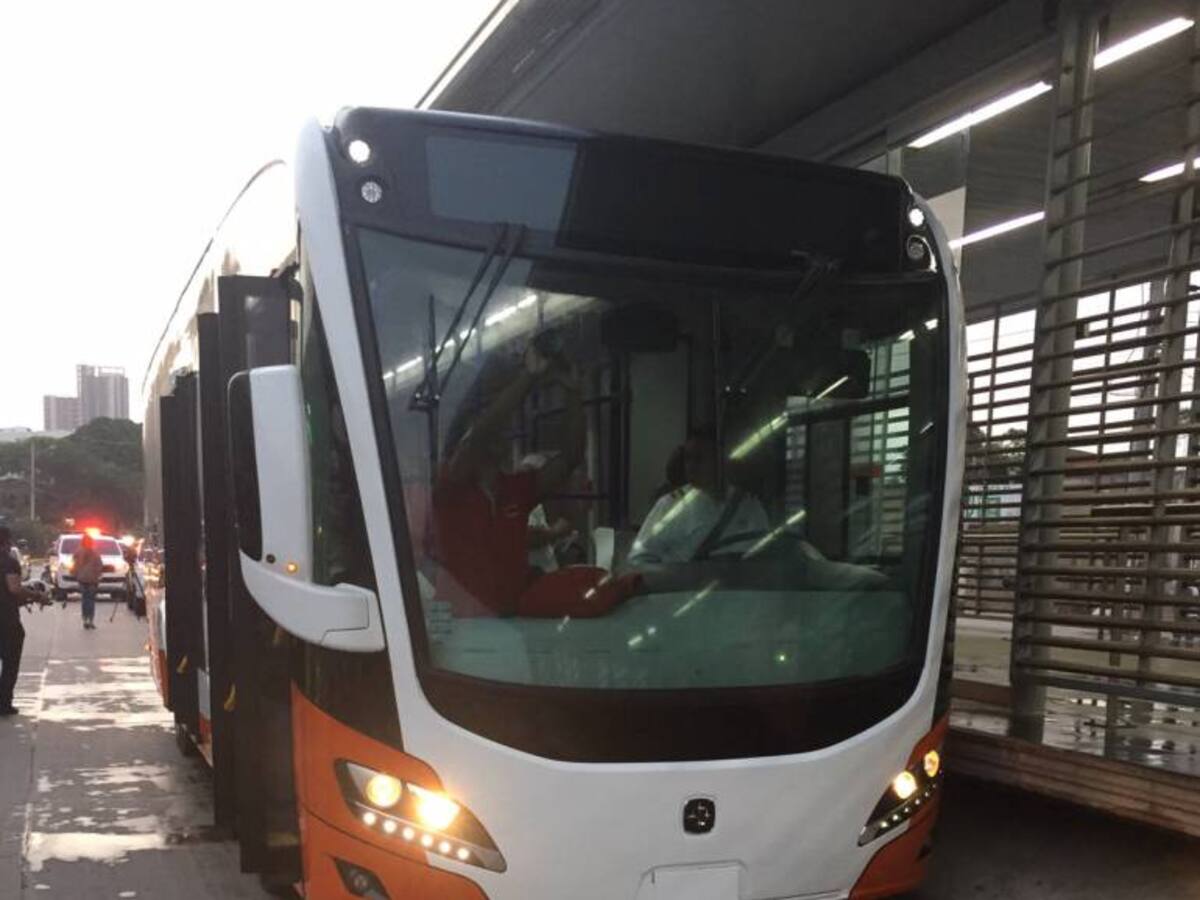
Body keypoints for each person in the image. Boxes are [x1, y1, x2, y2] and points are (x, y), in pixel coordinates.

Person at [433, 339, 585, 616]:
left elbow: (571, 457)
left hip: (509, 625)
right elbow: (480, 435)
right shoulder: (450, 486)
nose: (499, 430)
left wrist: (573, 391)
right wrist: (529, 375)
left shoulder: (515, 490)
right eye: (486, 423)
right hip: (456, 629)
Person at [628, 428, 769, 565]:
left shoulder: (749, 505)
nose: (691, 466)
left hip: (741, 584)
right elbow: (640, 558)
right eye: (688, 458)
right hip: (688, 585)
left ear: (718, 461)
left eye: (699, 459)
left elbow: (764, 555)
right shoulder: (670, 504)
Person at [0, 526, 39, 716]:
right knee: (10, 662)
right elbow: (14, 589)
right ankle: (4, 703)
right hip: (6, 620)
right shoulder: (8, 562)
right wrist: (36, 595)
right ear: (7, 542)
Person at [73, 533, 103, 629]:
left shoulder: (79, 551)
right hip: (92, 580)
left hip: (82, 579)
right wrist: (98, 576)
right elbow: (99, 565)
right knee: (91, 600)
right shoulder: (95, 552)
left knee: (84, 599)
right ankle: (91, 620)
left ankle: (85, 619)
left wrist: (76, 573)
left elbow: (75, 562)